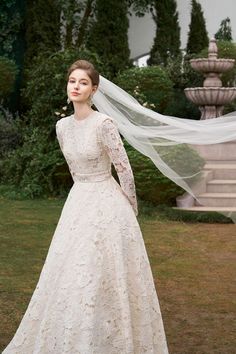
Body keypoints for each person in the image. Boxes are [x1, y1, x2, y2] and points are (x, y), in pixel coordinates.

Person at [2, 59, 169, 353]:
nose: (76, 86)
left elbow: (124, 170)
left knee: (105, 270)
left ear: (93, 90)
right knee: (72, 269)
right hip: (78, 201)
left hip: (108, 203)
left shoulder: (104, 124)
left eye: (83, 82)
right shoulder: (61, 126)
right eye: (72, 81)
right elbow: (74, 169)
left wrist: (130, 210)